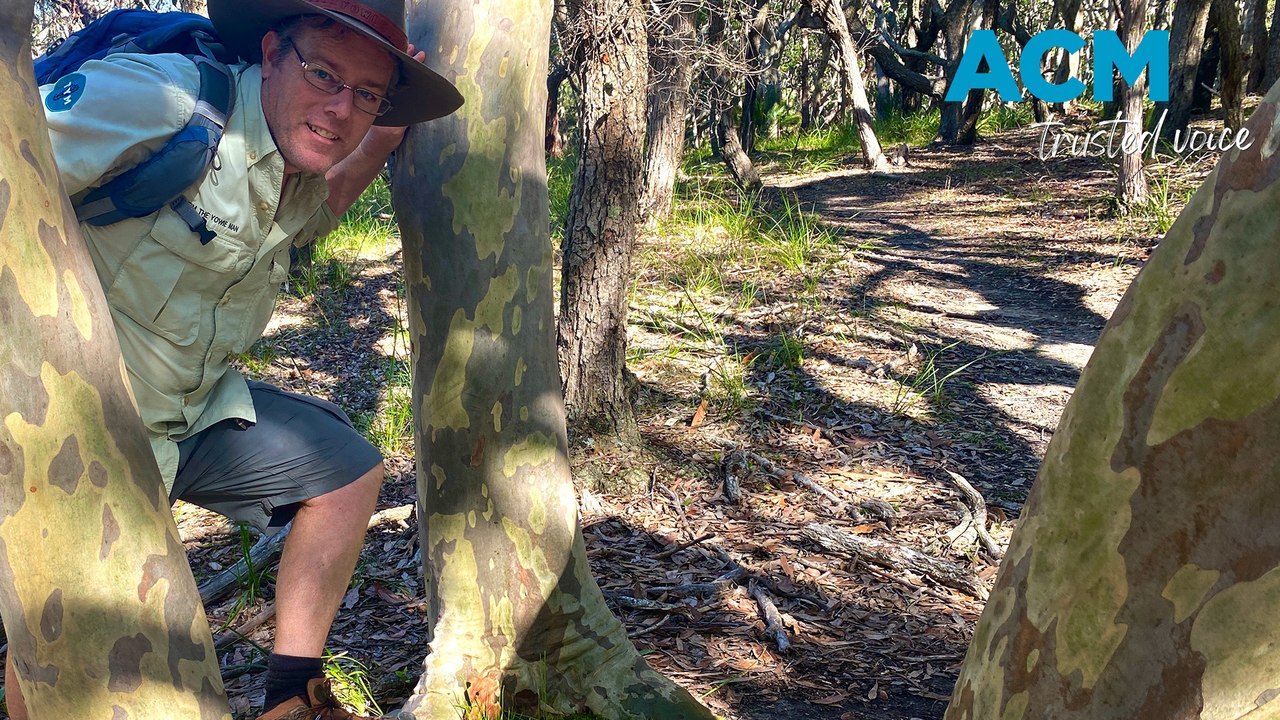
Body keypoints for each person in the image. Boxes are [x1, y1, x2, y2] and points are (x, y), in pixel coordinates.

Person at [6, 1, 461, 719]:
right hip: (77, 426)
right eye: (324, 74)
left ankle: (292, 698)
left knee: (346, 474)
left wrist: (382, 137)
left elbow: (317, 213)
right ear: (272, 52)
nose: (341, 109)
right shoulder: (164, 103)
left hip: (186, 412)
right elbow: (14, 169)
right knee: (74, 639)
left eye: (367, 94)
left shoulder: (296, 165)